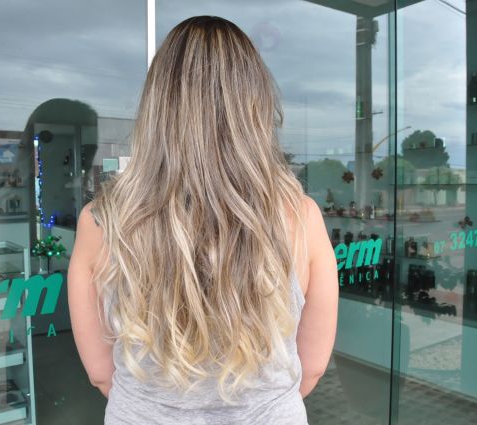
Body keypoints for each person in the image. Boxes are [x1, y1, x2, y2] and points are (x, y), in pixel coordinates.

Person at [68, 15, 338, 425]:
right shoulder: (300, 217)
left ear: (158, 107)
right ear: (255, 106)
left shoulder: (102, 222)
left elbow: (101, 373)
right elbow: (313, 367)